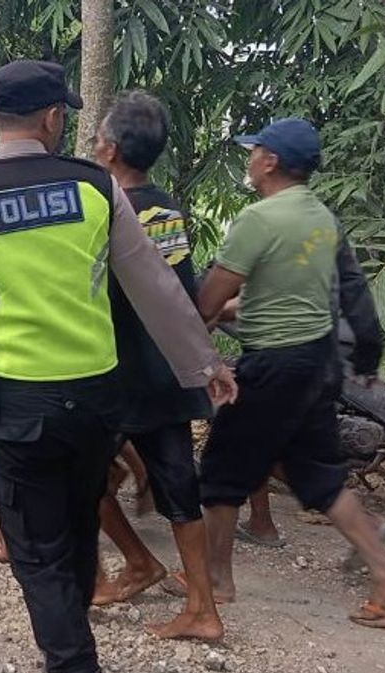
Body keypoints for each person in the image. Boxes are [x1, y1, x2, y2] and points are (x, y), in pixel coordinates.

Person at [0, 60, 237, 673]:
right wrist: (204, 363)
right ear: (53, 117)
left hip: (20, 407)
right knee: (80, 523)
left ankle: (73, 662)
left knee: (35, 550)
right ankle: (74, 636)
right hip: (98, 404)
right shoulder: (92, 188)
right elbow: (156, 287)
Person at [195, 118, 385, 629]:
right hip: (320, 363)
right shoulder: (322, 217)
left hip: (274, 363)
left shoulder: (259, 219)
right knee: (318, 475)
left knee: (222, 473)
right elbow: (355, 291)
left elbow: (208, 301)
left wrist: (199, 331)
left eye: (254, 152)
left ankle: (216, 583)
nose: (249, 159)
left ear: (270, 161)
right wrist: (366, 358)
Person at [87, 91, 223, 640]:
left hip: (110, 371)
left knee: (85, 479)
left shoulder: (96, 210)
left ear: (111, 149)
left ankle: (137, 563)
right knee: (179, 492)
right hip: (163, 373)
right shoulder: (166, 210)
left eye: (98, 135)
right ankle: (203, 607)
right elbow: (177, 294)